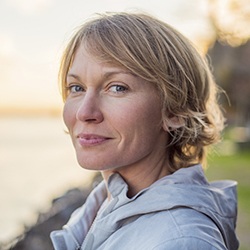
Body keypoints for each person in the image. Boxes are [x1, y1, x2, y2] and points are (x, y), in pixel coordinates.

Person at [50, 12, 239, 250]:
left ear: (175, 111)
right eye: (76, 87)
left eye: (117, 88)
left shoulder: (181, 241)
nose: (84, 112)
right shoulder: (98, 208)